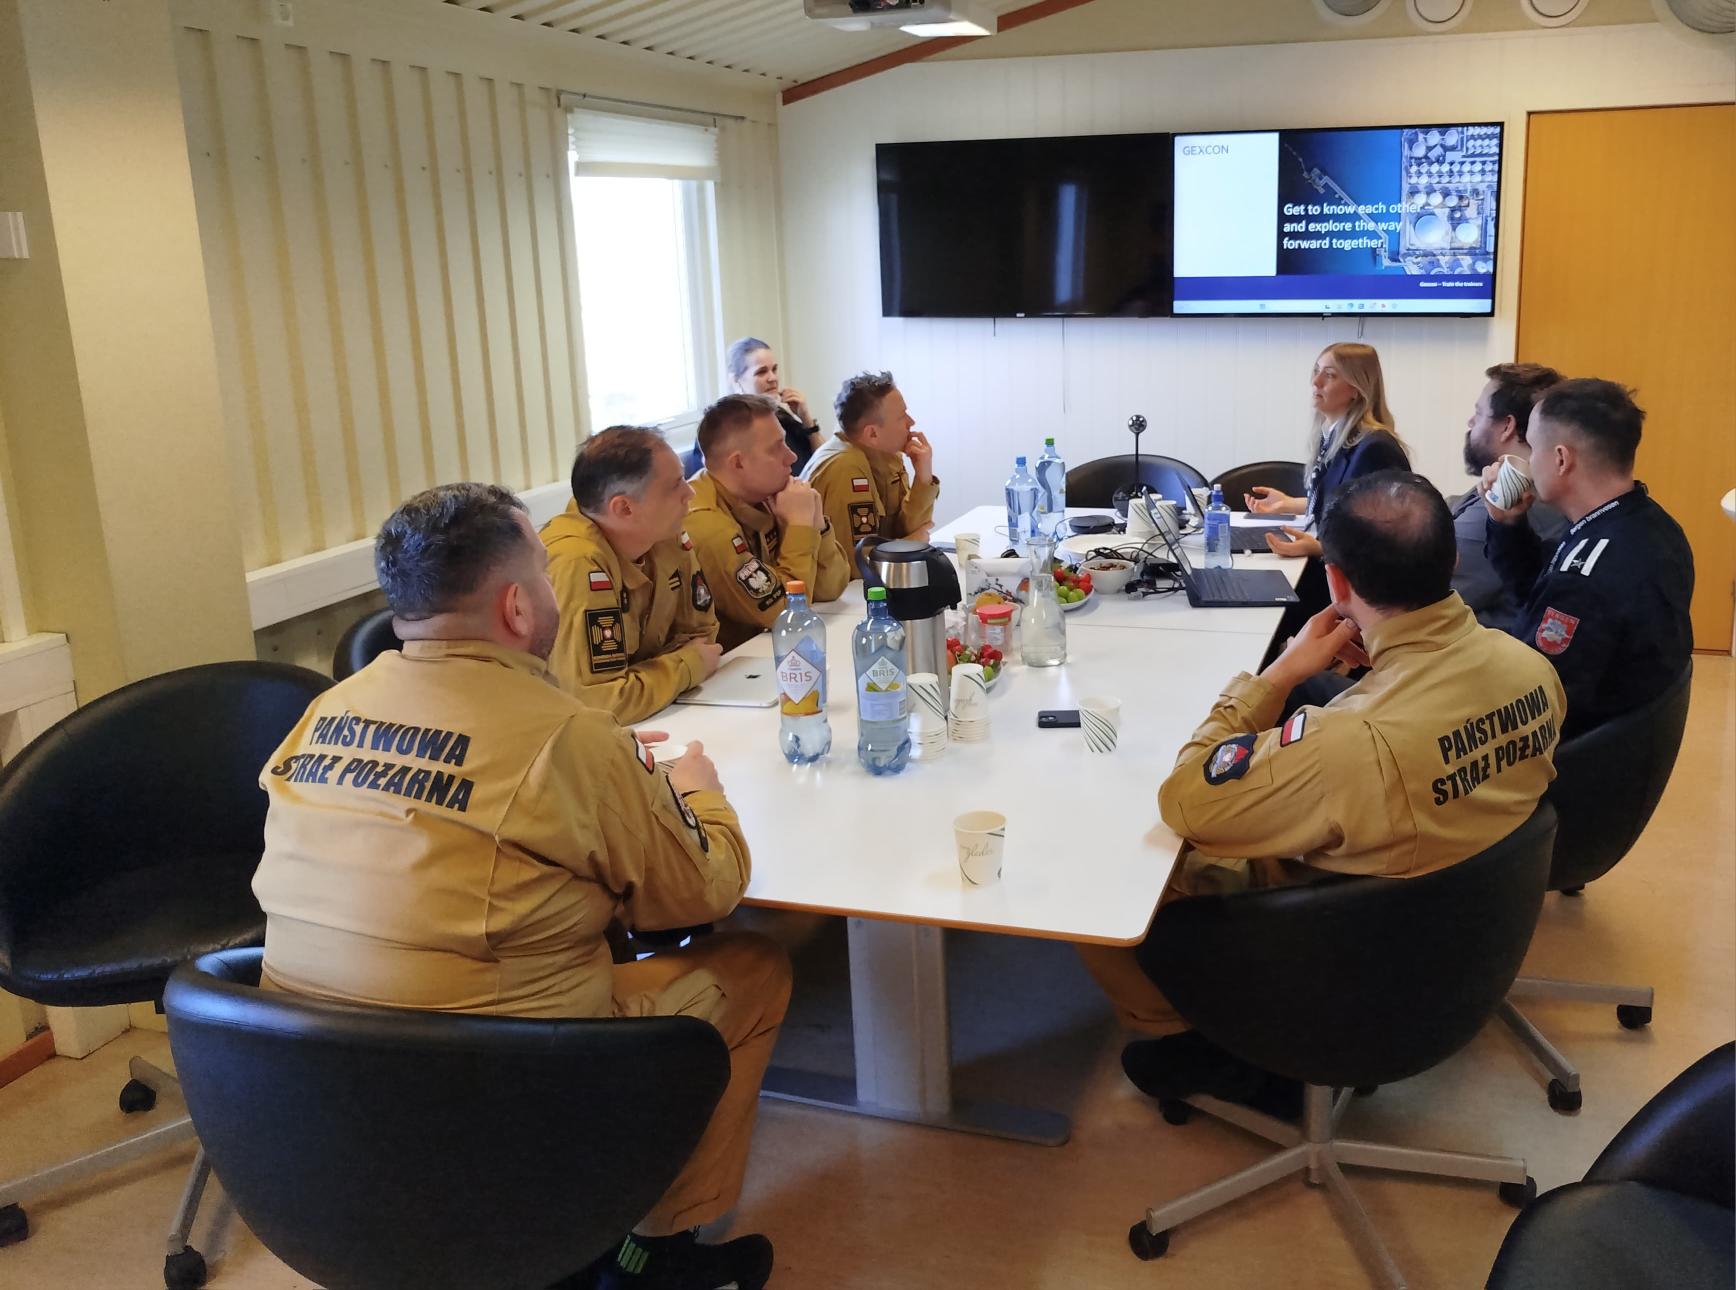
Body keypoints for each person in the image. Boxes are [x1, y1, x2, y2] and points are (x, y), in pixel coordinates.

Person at [253, 483, 787, 1290]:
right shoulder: (568, 737)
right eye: (541, 568)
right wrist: (694, 790)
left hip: (303, 1080)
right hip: (496, 1077)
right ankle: (654, 1253)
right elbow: (703, 893)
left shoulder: (323, 711)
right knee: (756, 969)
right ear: (515, 605)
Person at [1078, 471, 1565, 1111]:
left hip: (1331, 953)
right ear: (1449, 560)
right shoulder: (1532, 668)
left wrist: (1278, 676)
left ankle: (1198, 1041)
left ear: (1336, 583)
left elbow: (1186, 801)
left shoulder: (1348, 741)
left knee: (1107, 861)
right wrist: (1381, 671)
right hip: (1459, 936)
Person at [1480, 378, 1693, 739]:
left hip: (1569, 752)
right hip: (1618, 737)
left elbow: (1527, 702)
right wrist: (1507, 525)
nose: (1527, 461)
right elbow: (1538, 590)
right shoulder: (1652, 525)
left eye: (1532, 446)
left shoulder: (1585, 579)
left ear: (1561, 459)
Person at [541, 426, 722, 723]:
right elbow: (600, 701)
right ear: (624, 508)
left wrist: (647, 681)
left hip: (655, 717)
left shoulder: (663, 533)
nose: (690, 492)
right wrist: (686, 666)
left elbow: (702, 636)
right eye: (675, 485)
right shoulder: (577, 561)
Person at [686, 394, 851, 652]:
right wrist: (799, 528)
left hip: (760, 652)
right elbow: (786, 614)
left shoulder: (767, 494)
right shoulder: (707, 526)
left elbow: (831, 588)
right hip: (727, 667)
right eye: (776, 448)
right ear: (738, 462)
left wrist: (816, 523)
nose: (791, 457)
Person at [1245, 342, 1409, 561]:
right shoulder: (1333, 436)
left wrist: (1319, 549)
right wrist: (1287, 504)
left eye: (1329, 375)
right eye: (1316, 371)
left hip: (1348, 573)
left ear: (1356, 389)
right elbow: (1345, 504)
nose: (1316, 381)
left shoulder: (1376, 449)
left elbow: (1387, 539)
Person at [1454, 362, 1569, 628]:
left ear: (1507, 426)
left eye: (1478, 413)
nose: (1471, 422)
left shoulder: (1513, 500)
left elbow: (1412, 595)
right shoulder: (1522, 484)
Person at [802, 370, 939, 571]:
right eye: (902, 416)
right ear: (872, 433)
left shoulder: (885, 454)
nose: (911, 422)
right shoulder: (845, 467)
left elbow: (911, 529)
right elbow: (854, 564)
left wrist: (923, 476)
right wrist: (908, 544)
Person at [727, 336, 824, 476]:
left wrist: (806, 419)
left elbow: (827, 462)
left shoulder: (781, 416)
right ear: (736, 381)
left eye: (774, 369)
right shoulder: (727, 430)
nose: (773, 378)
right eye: (761, 372)